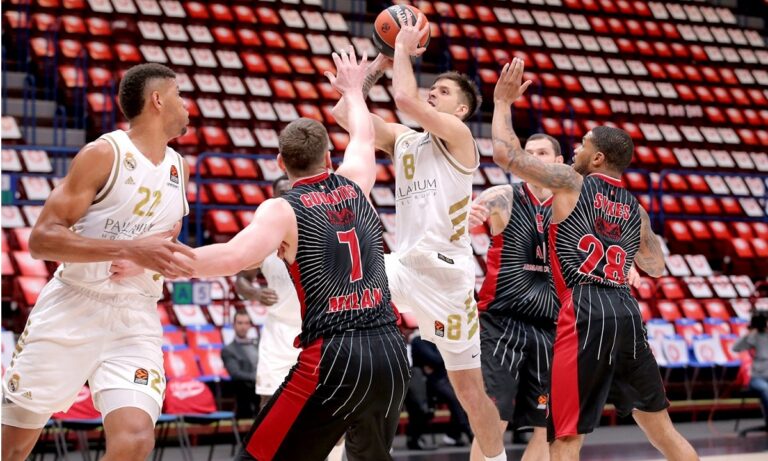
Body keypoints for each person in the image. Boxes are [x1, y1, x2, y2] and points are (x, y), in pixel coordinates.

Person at [176, 50, 410, 461]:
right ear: (329, 158)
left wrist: (151, 259)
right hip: (391, 350)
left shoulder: (283, 209)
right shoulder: (356, 182)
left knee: (258, 456)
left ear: (280, 162)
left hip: (336, 354)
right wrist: (354, 89)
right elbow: (363, 136)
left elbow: (231, 257)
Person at [491, 57, 698, 461]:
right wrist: (619, 252)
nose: (576, 148)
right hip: (626, 310)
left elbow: (506, 155)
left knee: (566, 436)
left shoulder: (571, 182)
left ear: (598, 158)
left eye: (583, 143)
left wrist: (501, 103)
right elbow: (655, 266)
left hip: (584, 309)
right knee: (663, 431)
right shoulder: (636, 208)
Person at [332, 15, 506, 461]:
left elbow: (406, 97)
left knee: (469, 391)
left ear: (461, 110)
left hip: (446, 277)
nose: (434, 93)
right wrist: (377, 65)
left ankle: (496, 458)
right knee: (338, 314)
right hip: (402, 265)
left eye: (444, 92)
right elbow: (345, 115)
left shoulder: (461, 137)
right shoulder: (406, 140)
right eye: (435, 88)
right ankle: (339, 448)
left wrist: (402, 49)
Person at [2, 63, 196, 461]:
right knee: (13, 447)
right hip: (74, 306)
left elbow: (162, 239)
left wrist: (143, 259)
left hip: (135, 314)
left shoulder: (180, 167)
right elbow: (42, 240)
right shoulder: (104, 154)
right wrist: (128, 250)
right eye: (179, 95)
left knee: (136, 439)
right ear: (157, 100)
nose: (186, 105)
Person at [467, 133, 564, 461]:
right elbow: (463, 219)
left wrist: (629, 264)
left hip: (550, 327)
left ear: (559, 162)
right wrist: (467, 218)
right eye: (528, 152)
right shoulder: (502, 196)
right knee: (493, 420)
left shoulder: (571, 207)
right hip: (502, 324)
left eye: (542, 152)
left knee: (547, 428)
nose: (534, 157)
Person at [234, 175, 303, 409]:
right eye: (282, 193)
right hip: (278, 330)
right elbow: (241, 281)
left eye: (291, 192)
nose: (287, 197)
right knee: (269, 400)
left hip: (315, 327)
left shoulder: (316, 229)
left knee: (323, 402)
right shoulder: (263, 239)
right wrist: (255, 294)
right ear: (273, 198)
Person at [732, 310, 768, 429]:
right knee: (766, 390)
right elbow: (736, 348)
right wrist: (750, 333)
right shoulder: (753, 337)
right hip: (758, 378)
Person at [222, 310, 260, 419]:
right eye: (240, 323)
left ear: (250, 325)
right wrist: (257, 377)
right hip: (246, 389)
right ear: (234, 325)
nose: (243, 327)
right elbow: (235, 374)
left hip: (263, 385)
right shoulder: (229, 350)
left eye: (246, 323)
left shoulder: (258, 345)